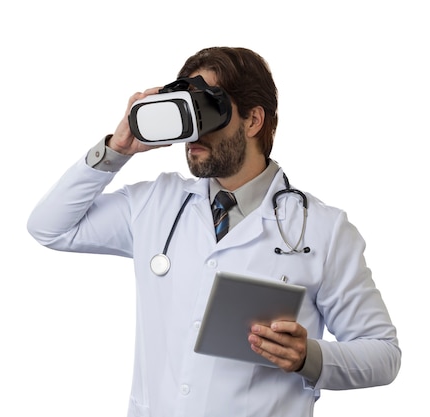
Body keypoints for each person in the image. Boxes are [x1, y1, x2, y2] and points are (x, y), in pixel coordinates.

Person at [26, 46, 401, 417]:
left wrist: (309, 357)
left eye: (208, 110)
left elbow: (384, 354)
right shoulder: (155, 203)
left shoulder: (323, 229)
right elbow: (50, 227)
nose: (194, 134)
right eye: (188, 111)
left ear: (253, 121)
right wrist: (117, 149)